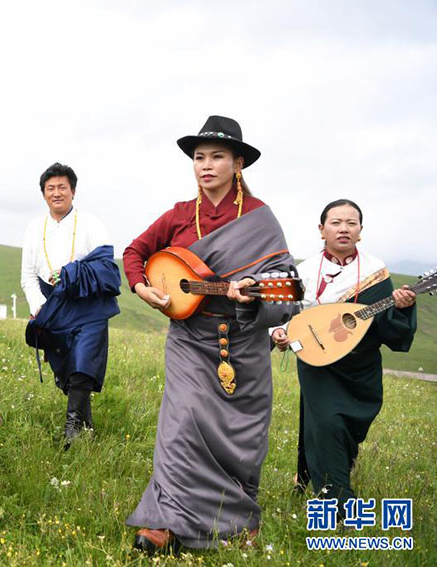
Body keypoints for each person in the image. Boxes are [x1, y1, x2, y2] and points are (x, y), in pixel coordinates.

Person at [122, 116, 298, 552]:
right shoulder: (181, 214)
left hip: (244, 342)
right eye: (199, 157)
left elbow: (288, 286)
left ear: (238, 164)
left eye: (217, 156)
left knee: (241, 434)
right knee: (180, 424)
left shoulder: (260, 218)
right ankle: (165, 521)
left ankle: (238, 520)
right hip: (190, 337)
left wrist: (254, 292)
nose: (205, 165)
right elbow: (135, 252)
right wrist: (142, 288)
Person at [271, 199, 417, 516]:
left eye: (351, 223)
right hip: (316, 364)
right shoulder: (304, 271)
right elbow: (285, 314)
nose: (343, 229)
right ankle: (337, 506)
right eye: (336, 222)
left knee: (347, 427)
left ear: (360, 231)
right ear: (322, 229)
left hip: (361, 367)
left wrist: (401, 308)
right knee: (327, 424)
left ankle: (313, 476)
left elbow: (388, 327)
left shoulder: (376, 272)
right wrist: (280, 332)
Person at [21, 162, 120, 445]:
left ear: (73, 191)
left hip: (88, 303)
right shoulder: (33, 228)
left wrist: (73, 275)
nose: (56, 193)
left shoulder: (91, 223)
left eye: (62, 187)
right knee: (65, 364)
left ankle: (72, 427)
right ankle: (86, 424)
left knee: (83, 359)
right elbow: (28, 275)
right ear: (43, 194)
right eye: (50, 188)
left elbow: (105, 263)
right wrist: (39, 306)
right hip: (52, 304)